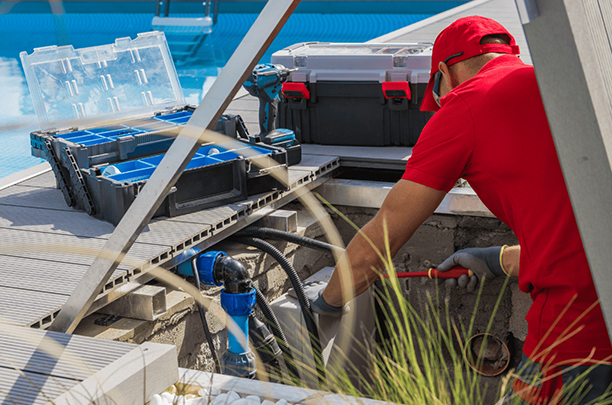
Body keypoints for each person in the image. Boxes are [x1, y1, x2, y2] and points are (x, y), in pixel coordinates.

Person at [307, 16, 612, 404]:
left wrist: (326, 302)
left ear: (443, 74)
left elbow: (379, 243)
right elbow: (574, 220)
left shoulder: (464, 105)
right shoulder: (559, 82)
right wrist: (499, 259)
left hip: (580, 320)